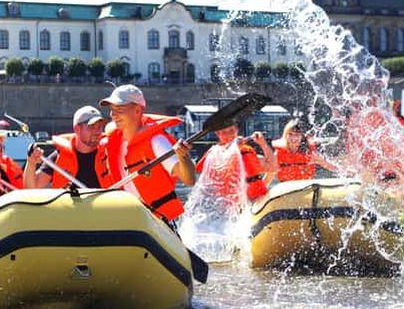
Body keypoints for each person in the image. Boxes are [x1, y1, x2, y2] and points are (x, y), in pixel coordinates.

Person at [98, 85, 196, 222]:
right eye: (112, 110)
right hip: (126, 216)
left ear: (137, 110)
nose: (113, 115)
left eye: (119, 109)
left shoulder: (156, 141)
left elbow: (189, 180)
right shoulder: (113, 141)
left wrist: (183, 156)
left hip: (157, 220)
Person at [23, 106, 109, 189]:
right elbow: (31, 188)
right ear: (77, 129)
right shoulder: (59, 156)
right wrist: (31, 163)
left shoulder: (108, 155)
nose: (97, 132)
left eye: (100, 127)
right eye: (91, 127)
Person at [196, 123, 277, 202]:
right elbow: (202, 173)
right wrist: (233, 148)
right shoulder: (214, 153)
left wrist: (262, 143)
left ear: (237, 130)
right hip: (233, 203)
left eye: (231, 130)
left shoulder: (247, 150)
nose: (229, 135)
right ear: (218, 134)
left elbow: (272, 168)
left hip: (259, 199)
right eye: (224, 132)